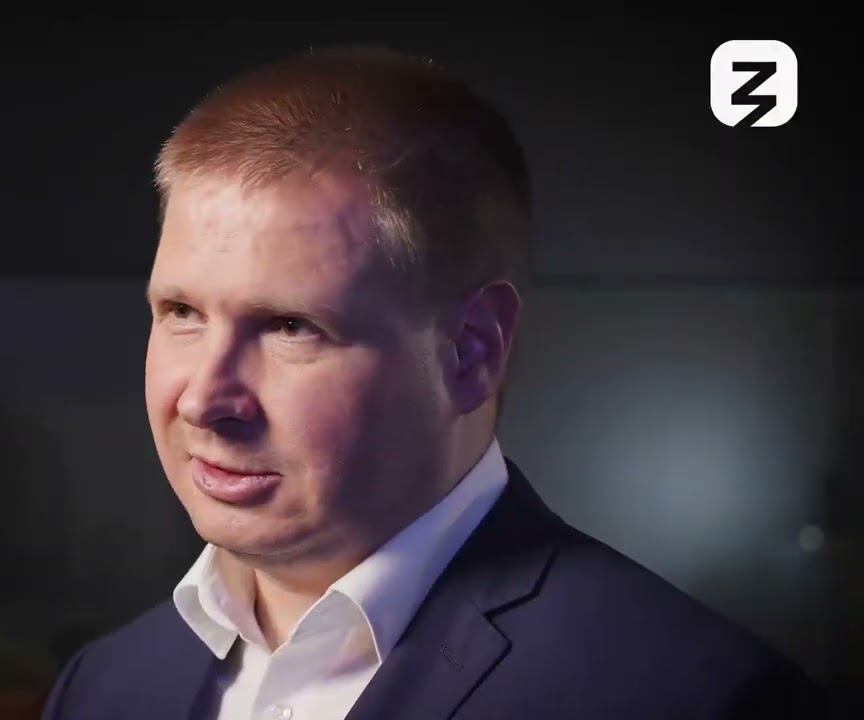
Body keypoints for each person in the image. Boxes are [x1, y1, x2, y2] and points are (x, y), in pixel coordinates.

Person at [42, 45, 826, 719]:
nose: (203, 399)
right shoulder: (102, 687)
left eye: (290, 326)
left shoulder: (697, 698)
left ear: (471, 351)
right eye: (181, 312)